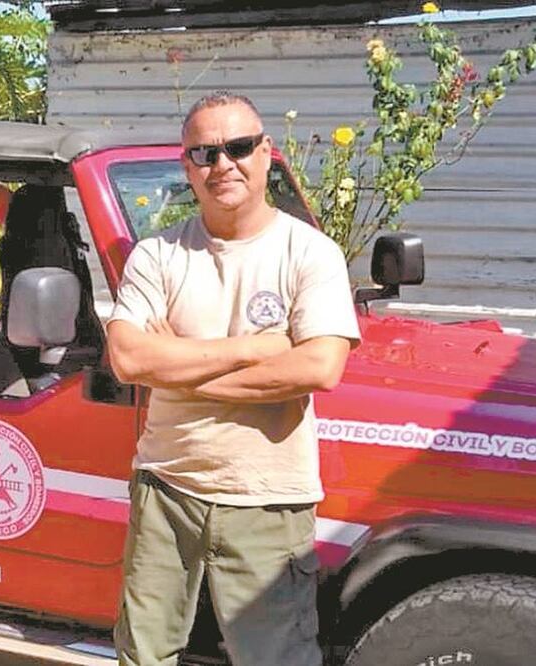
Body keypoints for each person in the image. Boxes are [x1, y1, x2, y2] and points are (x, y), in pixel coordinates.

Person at [106, 91, 361, 666]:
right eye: (204, 153)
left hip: (268, 500)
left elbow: (318, 367)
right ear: (187, 167)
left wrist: (175, 369)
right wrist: (253, 349)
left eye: (239, 147)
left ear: (267, 153)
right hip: (165, 491)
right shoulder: (157, 254)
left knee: (275, 659)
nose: (223, 165)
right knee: (143, 654)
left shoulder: (310, 254)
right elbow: (126, 358)